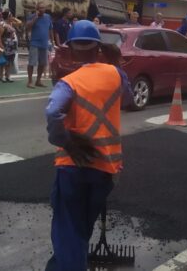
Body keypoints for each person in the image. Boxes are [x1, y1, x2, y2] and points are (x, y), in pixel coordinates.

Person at [44, 20, 132, 270]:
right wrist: (116, 64)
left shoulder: (70, 82)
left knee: (68, 232)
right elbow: (127, 100)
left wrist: (66, 141)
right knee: (79, 231)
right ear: (98, 49)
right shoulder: (115, 74)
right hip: (105, 170)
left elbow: (53, 112)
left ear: (71, 50)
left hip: (73, 167)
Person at [26, 3, 53, 88]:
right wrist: (35, 18)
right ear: (37, 9)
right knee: (32, 62)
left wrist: (52, 40)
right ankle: (30, 81)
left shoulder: (48, 17)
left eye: (43, 8)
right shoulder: (32, 16)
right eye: (40, 8)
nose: (42, 9)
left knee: (43, 63)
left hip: (44, 43)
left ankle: (38, 80)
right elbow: (28, 26)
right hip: (34, 42)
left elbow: (50, 29)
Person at [0, 10, 19, 83]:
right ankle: (1, 76)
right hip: (5, 45)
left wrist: (13, 19)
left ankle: (8, 75)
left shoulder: (11, 23)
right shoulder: (2, 24)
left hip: (11, 46)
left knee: (10, 61)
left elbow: (20, 23)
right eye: (11, 16)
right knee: (3, 61)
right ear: (7, 17)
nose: (12, 17)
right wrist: (0, 43)